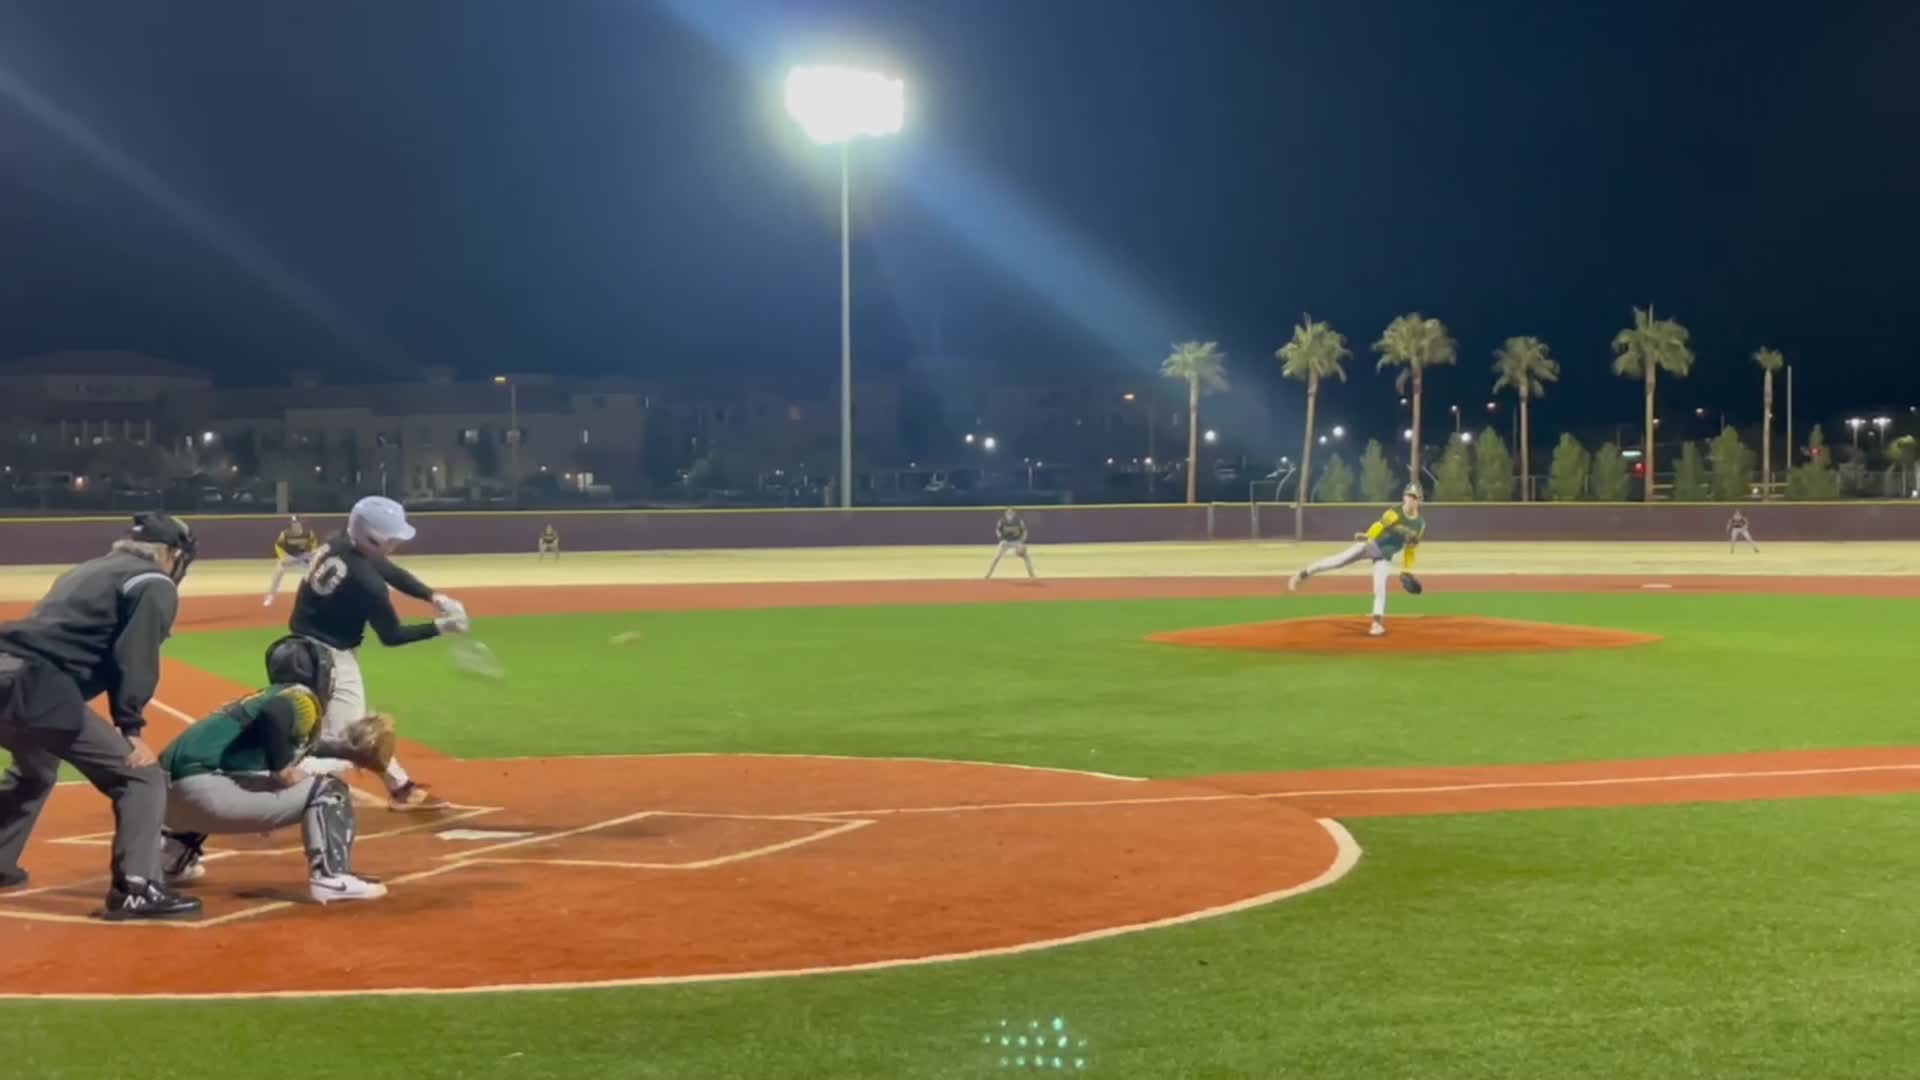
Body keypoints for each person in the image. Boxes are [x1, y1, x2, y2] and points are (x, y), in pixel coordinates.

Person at [0, 513, 203, 920]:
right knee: (140, 778)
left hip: (9, 674)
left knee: (35, 771)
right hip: (33, 686)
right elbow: (135, 658)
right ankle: (136, 888)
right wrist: (131, 728)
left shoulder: (90, 569)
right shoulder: (154, 583)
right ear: (171, 554)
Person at [158, 636, 388, 904]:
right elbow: (274, 717)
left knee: (224, 774)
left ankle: (171, 859)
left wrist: (348, 750)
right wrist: (282, 771)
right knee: (329, 789)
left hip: (165, 801)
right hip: (205, 795)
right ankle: (331, 878)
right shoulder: (301, 697)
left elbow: (285, 739)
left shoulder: (263, 698)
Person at [288, 495, 468, 811]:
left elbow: (387, 569)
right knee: (349, 745)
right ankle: (277, 782)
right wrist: (442, 627)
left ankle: (400, 787)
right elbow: (392, 636)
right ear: (373, 537)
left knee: (354, 729)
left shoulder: (340, 543)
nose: (396, 543)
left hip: (300, 647)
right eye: (391, 538)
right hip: (332, 657)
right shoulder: (367, 583)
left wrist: (433, 596)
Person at [1289, 482, 1427, 637]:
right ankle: (1302, 575)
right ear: (1404, 497)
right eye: (1409, 496)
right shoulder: (1394, 513)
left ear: (1420, 500)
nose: (1411, 500)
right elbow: (1378, 526)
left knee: (1380, 588)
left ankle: (1376, 624)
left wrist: (1407, 569)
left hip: (1385, 556)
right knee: (1337, 561)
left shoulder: (1419, 524)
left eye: (1415, 497)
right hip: (1371, 545)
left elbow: (1410, 549)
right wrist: (1368, 537)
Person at [263, 514, 318, 607]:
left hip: (303, 558)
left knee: (315, 574)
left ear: (301, 523)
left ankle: (316, 598)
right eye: (293, 523)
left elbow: (314, 545)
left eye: (296, 523)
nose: (295, 525)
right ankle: (270, 597)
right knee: (278, 572)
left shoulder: (308, 533)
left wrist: (312, 554)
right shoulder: (285, 534)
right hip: (290, 558)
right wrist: (283, 557)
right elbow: (278, 546)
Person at [986, 508, 1037, 580]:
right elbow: (997, 530)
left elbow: (1024, 531)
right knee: (996, 557)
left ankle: (1032, 575)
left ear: (1014, 514)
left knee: (1026, 557)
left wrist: (1022, 541)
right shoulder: (1002, 521)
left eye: (1011, 513)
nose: (1009, 515)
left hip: (1017, 541)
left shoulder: (1018, 521)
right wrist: (1000, 537)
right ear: (1005, 514)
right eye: (1008, 513)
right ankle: (988, 574)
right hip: (1006, 541)